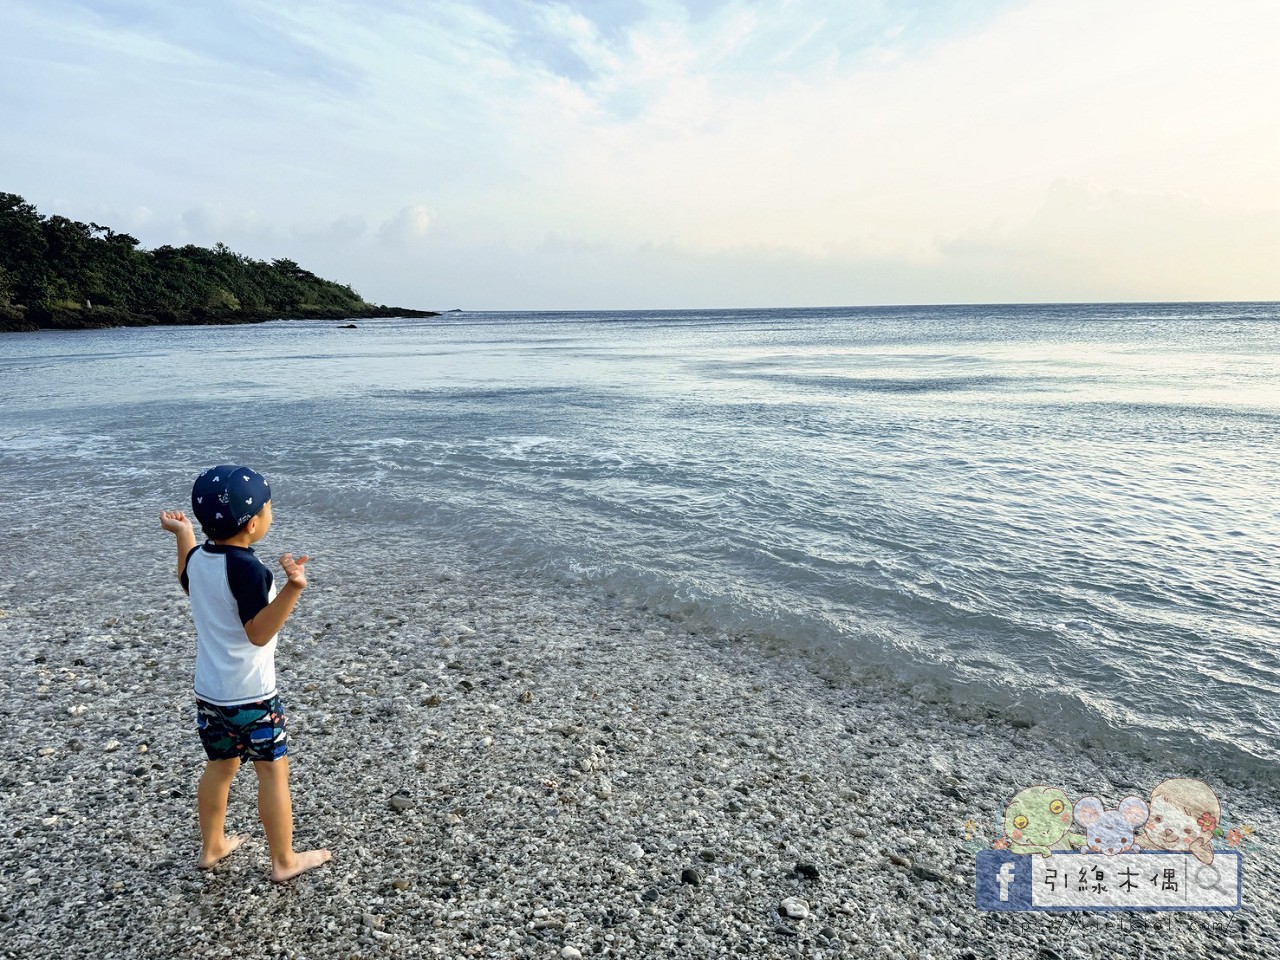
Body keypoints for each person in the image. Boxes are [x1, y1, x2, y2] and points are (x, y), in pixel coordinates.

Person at [160, 464, 332, 882]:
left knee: (220, 766)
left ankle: (212, 846)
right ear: (253, 523)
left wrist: (183, 535)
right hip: (252, 696)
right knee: (272, 772)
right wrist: (292, 589)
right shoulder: (250, 569)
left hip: (210, 693)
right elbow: (258, 633)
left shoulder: (200, 557)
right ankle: (284, 860)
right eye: (269, 509)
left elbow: (187, 580)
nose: (271, 515)